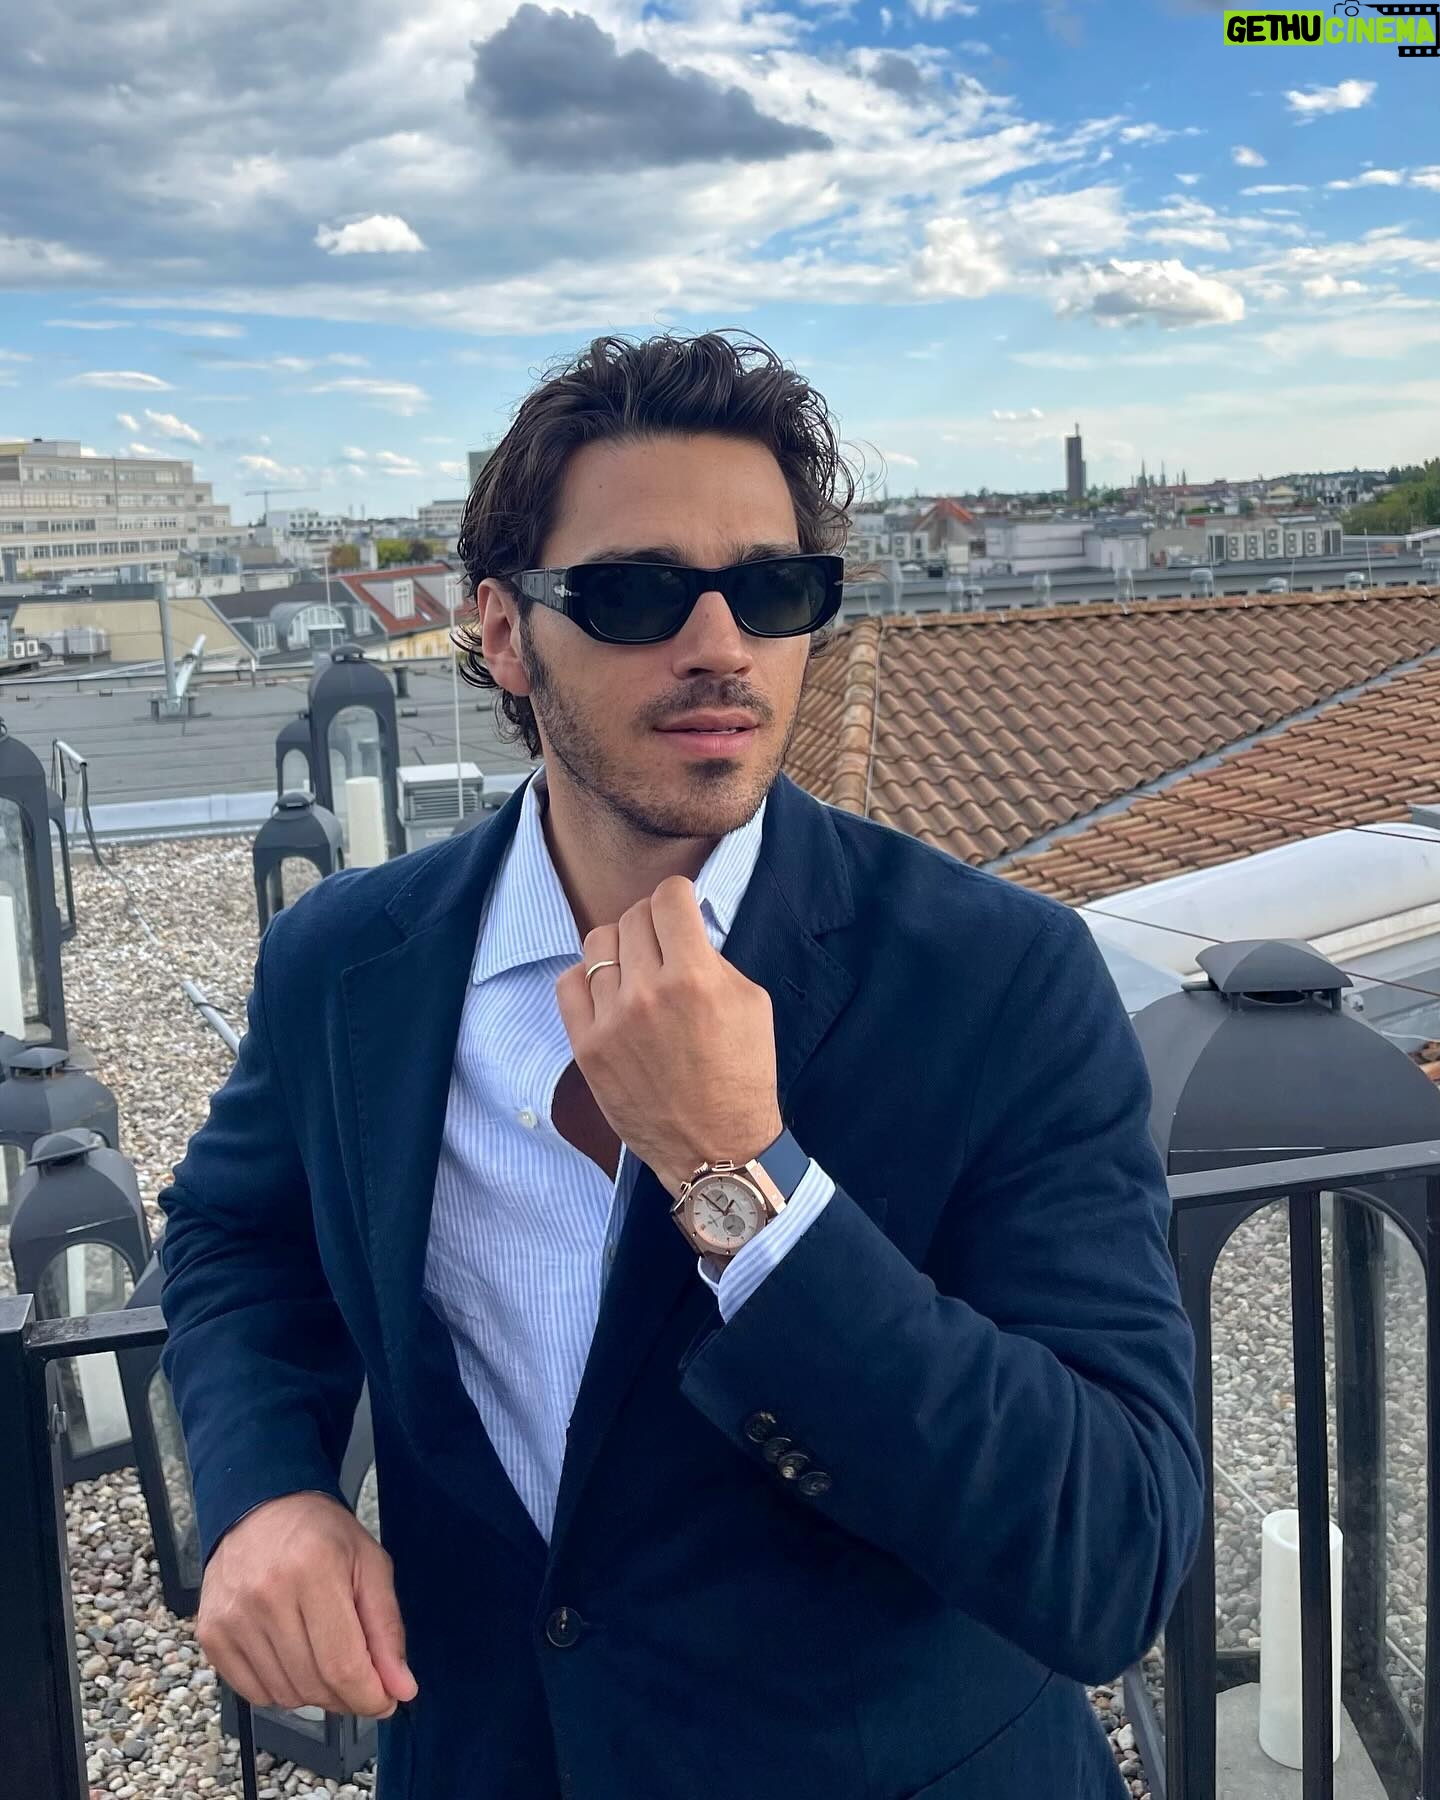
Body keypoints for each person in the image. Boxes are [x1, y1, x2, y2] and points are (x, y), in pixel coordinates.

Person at [158, 329, 1204, 1800]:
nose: (719, 645)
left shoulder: (999, 981)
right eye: (638, 593)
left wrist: (742, 1178)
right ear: (504, 634)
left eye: (772, 591)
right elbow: (237, 1238)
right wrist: (266, 1486)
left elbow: (1113, 1552)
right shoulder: (348, 962)